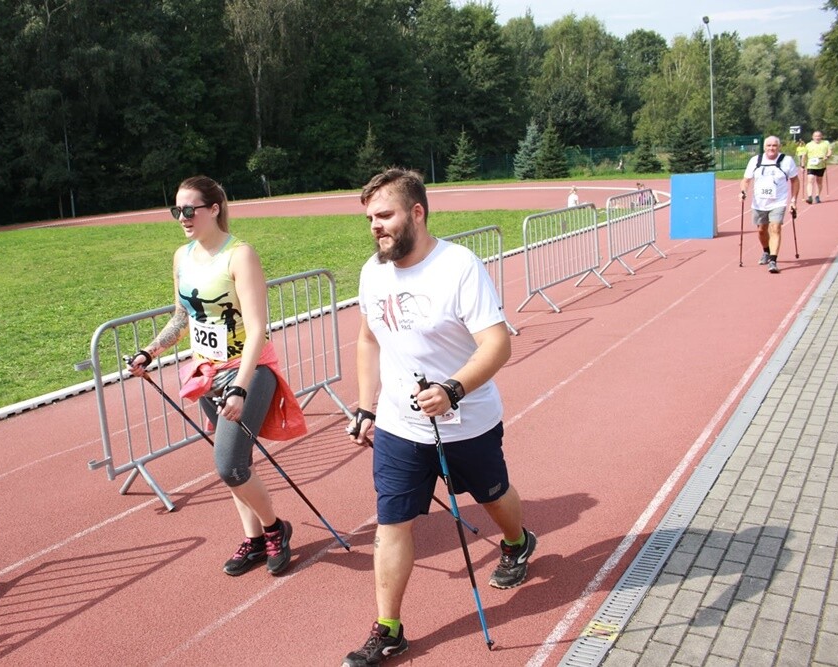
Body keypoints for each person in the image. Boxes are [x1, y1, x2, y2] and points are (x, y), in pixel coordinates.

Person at [341, 168, 535, 666]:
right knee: (392, 523)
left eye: (384, 215)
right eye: (370, 218)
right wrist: (365, 406)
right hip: (399, 427)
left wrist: (452, 389)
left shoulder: (458, 266)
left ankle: (517, 542)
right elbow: (368, 340)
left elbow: (497, 343)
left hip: (467, 422)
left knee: (492, 497)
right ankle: (388, 629)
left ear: (417, 212)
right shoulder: (372, 272)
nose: (375, 226)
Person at [127, 175, 306, 577]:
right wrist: (149, 352)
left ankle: (275, 529)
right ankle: (255, 539)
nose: (182, 217)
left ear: (214, 209)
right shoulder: (182, 256)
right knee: (239, 463)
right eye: (177, 210)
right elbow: (182, 317)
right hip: (208, 375)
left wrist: (240, 386)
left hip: (248, 371)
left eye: (190, 209)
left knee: (229, 466)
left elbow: (257, 329)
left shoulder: (240, 256)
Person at [740, 136, 800, 275]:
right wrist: (743, 191)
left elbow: (795, 181)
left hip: (778, 201)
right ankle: (766, 251)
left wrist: (793, 201)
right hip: (759, 203)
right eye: (769, 145)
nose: (771, 148)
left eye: (774, 145)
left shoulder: (787, 161)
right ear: (764, 147)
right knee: (761, 230)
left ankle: (773, 261)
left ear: (779, 147)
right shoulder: (755, 160)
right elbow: (746, 180)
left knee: (775, 228)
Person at [804, 130, 833, 204]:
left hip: (821, 164)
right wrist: (802, 165)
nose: (817, 138)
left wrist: (827, 156)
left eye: (819, 136)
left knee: (819, 181)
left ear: (821, 136)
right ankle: (810, 197)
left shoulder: (826, 143)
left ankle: (817, 196)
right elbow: (804, 155)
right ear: (813, 137)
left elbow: (830, 151)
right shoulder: (808, 145)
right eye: (815, 136)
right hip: (811, 164)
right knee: (810, 179)